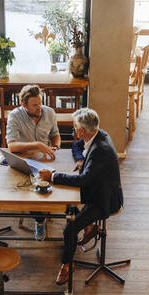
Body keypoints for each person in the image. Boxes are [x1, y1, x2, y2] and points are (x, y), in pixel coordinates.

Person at [39, 107, 123, 285]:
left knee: (69, 228)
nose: (73, 131)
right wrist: (80, 159)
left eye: (75, 128)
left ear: (82, 131)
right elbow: (77, 146)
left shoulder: (100, 150)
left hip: (104, 200)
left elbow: (83, 180)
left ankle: (67, 265)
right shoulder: (99, 134)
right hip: (97, 189)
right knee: (70, 206)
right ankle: (90, 227)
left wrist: (53, 176)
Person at [6, 84, 61, 241]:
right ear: (24, 106)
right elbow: (12, 146)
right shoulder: (15, 116)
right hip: (24, 161)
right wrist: (37, 145)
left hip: (45, 159)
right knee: (32, 189)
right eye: (35, 105)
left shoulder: (49, 112)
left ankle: (56, 213)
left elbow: (55, 135)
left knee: (58, 184)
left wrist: (56, 145)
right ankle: (39, 220)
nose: (39, 107)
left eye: (40, 103)